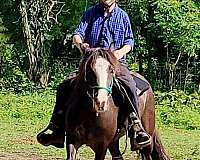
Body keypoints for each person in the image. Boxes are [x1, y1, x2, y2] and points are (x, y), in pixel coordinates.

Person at [37, 0, 151, 150]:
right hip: (91, 62)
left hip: (114, 63)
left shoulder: (122, 16)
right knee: (64, 86)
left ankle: (136, 126)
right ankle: (56, 128)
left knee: (129, 85)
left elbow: (129, 41)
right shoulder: (90, 12)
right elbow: (77, 34)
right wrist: (81, 44)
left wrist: (118, 53)